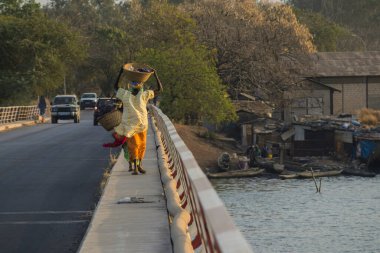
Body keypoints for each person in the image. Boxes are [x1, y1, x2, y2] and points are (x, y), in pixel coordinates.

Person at [103, 65, 163, 175]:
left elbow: (159, 89)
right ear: (132, 85)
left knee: (142, 145)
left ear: (141, 85)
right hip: (130, 125)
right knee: (133, 145)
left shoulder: (144, 95)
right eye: (134, 83)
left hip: (142, 124)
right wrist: (121, 73)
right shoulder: (126, 94)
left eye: (138, 83)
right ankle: (135, 166)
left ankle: (139, 165)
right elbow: (115, 86)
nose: (136, 85)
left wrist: (155, 74)